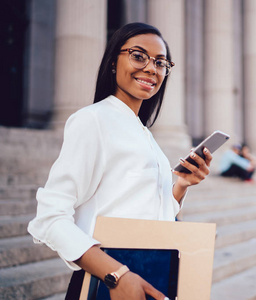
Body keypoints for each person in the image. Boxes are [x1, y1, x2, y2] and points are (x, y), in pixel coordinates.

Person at [27, 23, 213, 300]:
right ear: (114, 62)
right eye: (139, 56)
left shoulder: (145, 133)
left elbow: (142, 210)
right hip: (108, 281)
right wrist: (117, 275)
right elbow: (50, 218)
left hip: (154, 273)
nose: (152, 68)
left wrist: (181, 186)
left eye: (161, 62)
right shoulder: (92, 120)